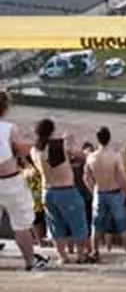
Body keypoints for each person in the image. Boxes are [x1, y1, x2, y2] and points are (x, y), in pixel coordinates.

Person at [31, 119, 93, 264]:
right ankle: (80, 255)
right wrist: (71, 142)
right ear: (52, 130)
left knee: (55, 226)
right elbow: (81, 155)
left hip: (47, 191)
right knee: (78, 223)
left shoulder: (34, 150)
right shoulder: (58, 146)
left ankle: (62, 256)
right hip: (65, 189)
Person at [0, 91, 49, 270]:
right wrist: (33, 143)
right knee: (21, 224)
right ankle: (30, 261)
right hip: (10, 180)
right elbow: (22, 148)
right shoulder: (9, 128)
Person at [83, 126, 126, 259]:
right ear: (109, 138)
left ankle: (95, 251)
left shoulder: (91, 157)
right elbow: (122, 176)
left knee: (97, 224)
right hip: (115, 192)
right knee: (123, 223)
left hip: (100, 191)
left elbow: (86, 177)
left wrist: (92, 189)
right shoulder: (115, 156)